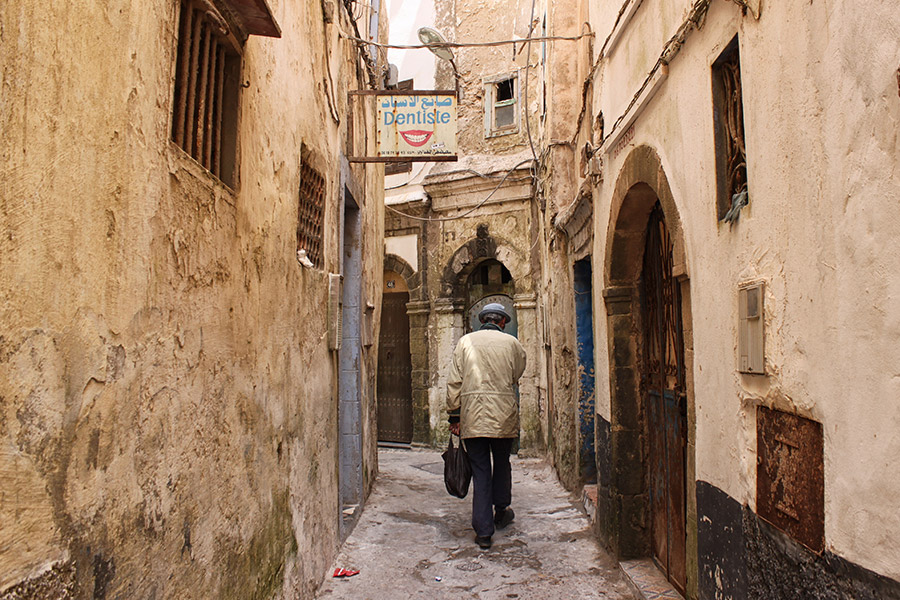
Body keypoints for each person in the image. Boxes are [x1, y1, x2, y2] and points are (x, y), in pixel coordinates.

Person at [447, 302, 526, 549]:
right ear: (503, 322)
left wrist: (454, 416)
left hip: (474, 415)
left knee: (481, 470)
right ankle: (501, 510)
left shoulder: (465, 342)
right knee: (502, 462)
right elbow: (518, 372)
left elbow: (454, 382)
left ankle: (483, 532)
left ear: (481, 321)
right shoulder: (512, 344)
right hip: (503, 415)